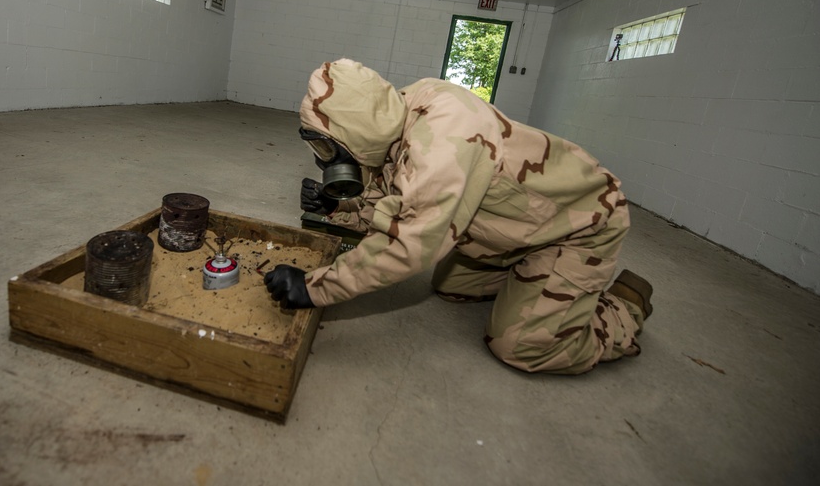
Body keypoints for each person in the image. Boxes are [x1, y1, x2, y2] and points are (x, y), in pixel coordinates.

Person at [265, 58, 652, 374]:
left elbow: (407, 244)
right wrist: (340, 208)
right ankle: (534, 285)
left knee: (516, 346)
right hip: (507, 232)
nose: (325, 160)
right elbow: (396, 201)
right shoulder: (398, 115)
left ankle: (619, 309)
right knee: (451, 287)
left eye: (327, 147)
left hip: (578, 225)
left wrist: (316, 287)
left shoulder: (445, 137)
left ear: (353, 129)